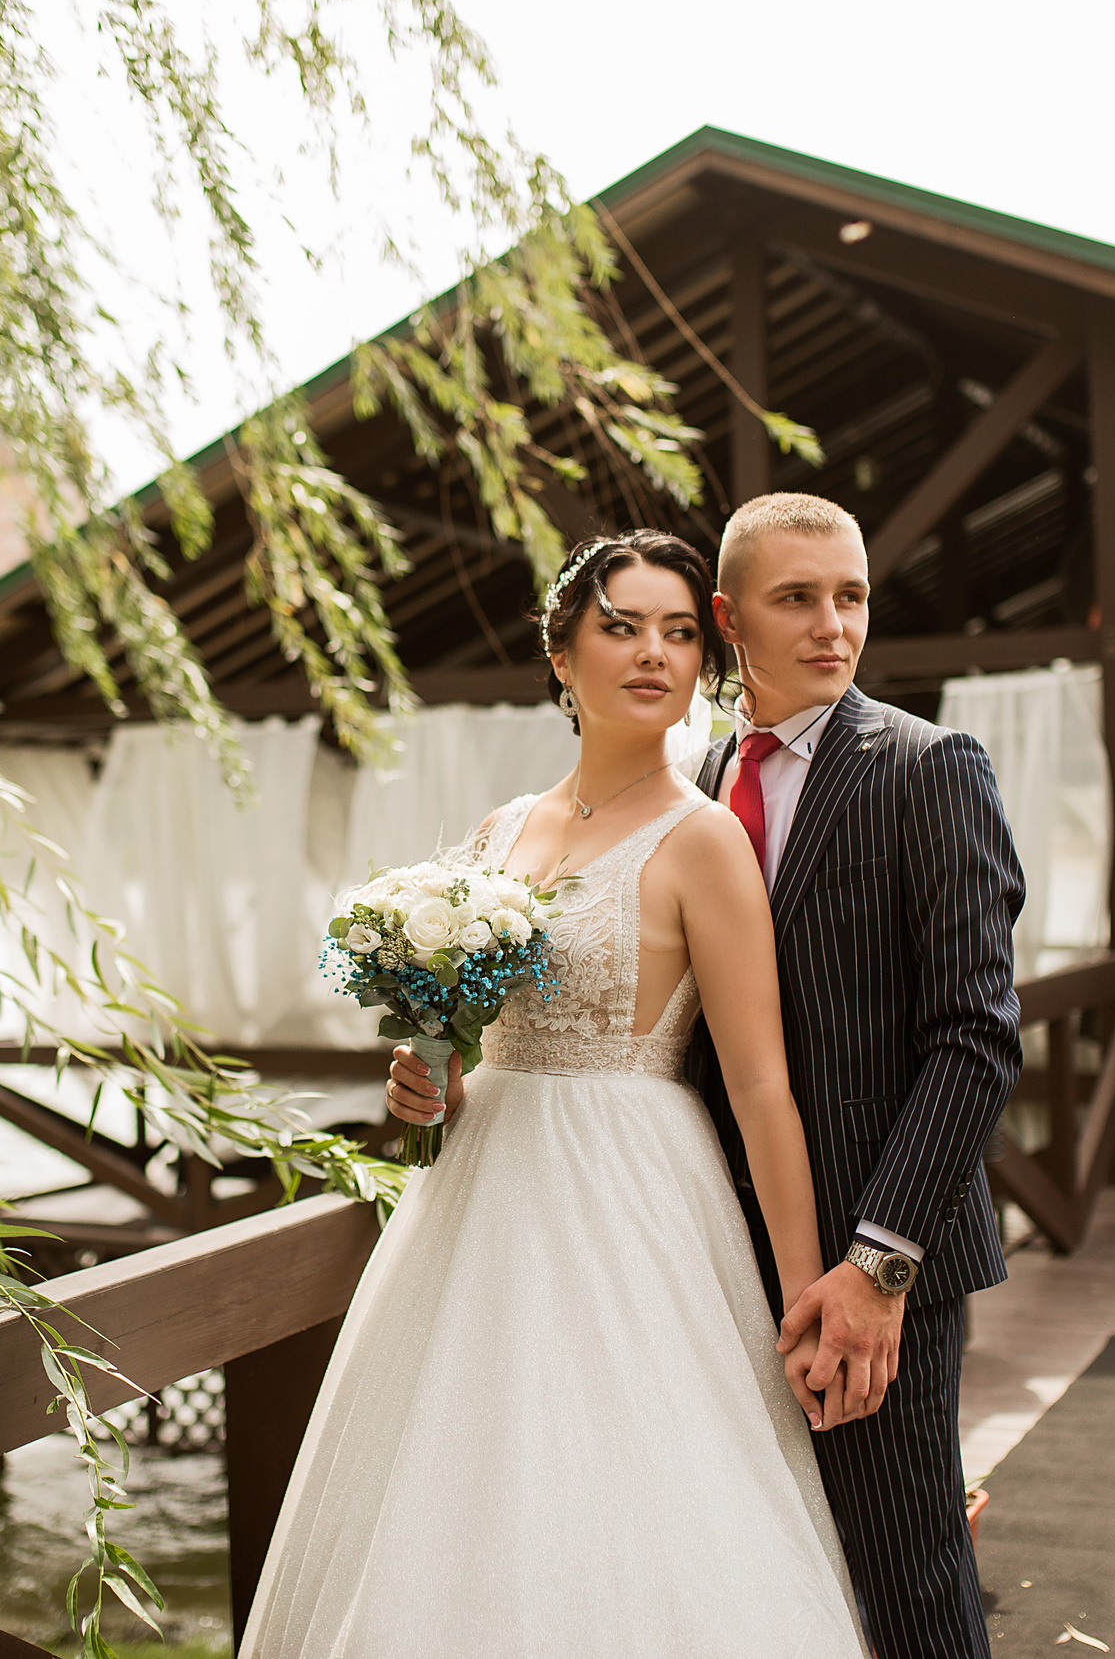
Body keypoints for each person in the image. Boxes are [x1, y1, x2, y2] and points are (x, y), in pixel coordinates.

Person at [393, 494, 1025, 1657]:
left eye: (852, 597)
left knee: (907, 1577)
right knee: (720, 1570)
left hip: (871, 1255)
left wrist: (874, 1267)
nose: (834, 626)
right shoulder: (703, 767)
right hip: (679, 1252)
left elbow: (976, 1040)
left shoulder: (927, 767)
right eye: (798, 598)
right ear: (736, 618)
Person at [242, 529, 868, 1657]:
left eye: (679, 631)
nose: (653, 654)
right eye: (621, 625)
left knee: (629, 1468)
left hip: (629, 1185)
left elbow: (763, 1082)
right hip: (481, 1189)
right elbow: (470, 1047)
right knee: (458, 1468)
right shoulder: (499, 830)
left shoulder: (705, 840)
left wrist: (802, 1286)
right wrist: (425, 1079)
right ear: (562, 652)